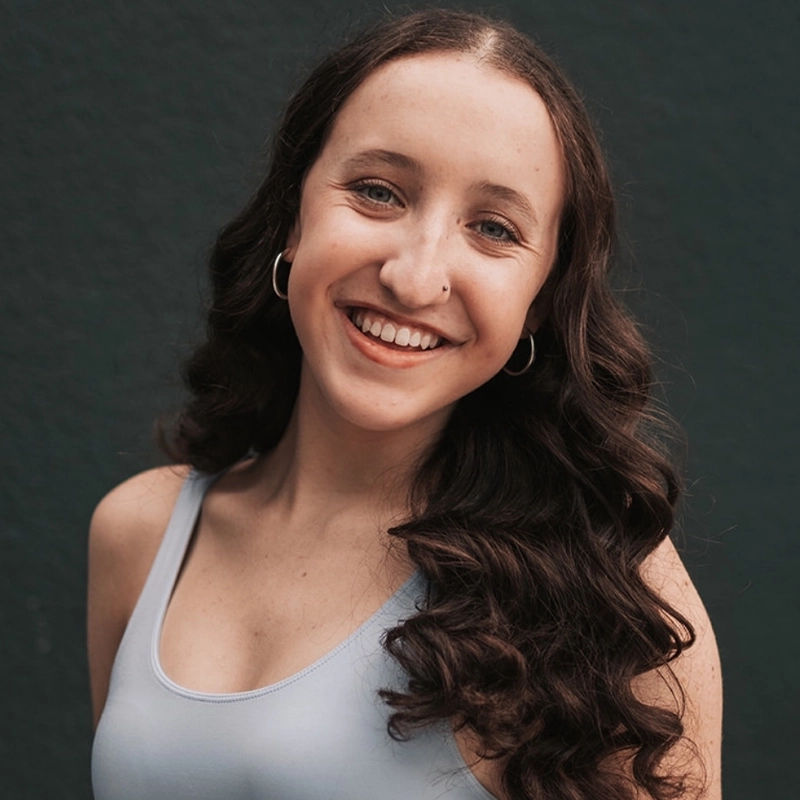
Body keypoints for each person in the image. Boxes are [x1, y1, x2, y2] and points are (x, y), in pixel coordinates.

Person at [87, 8, 722, 800]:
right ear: (293, 216)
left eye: (494, 229)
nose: (416, 279)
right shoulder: (139, 534)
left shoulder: (605, 582)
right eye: (378, 192)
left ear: (539, 303)